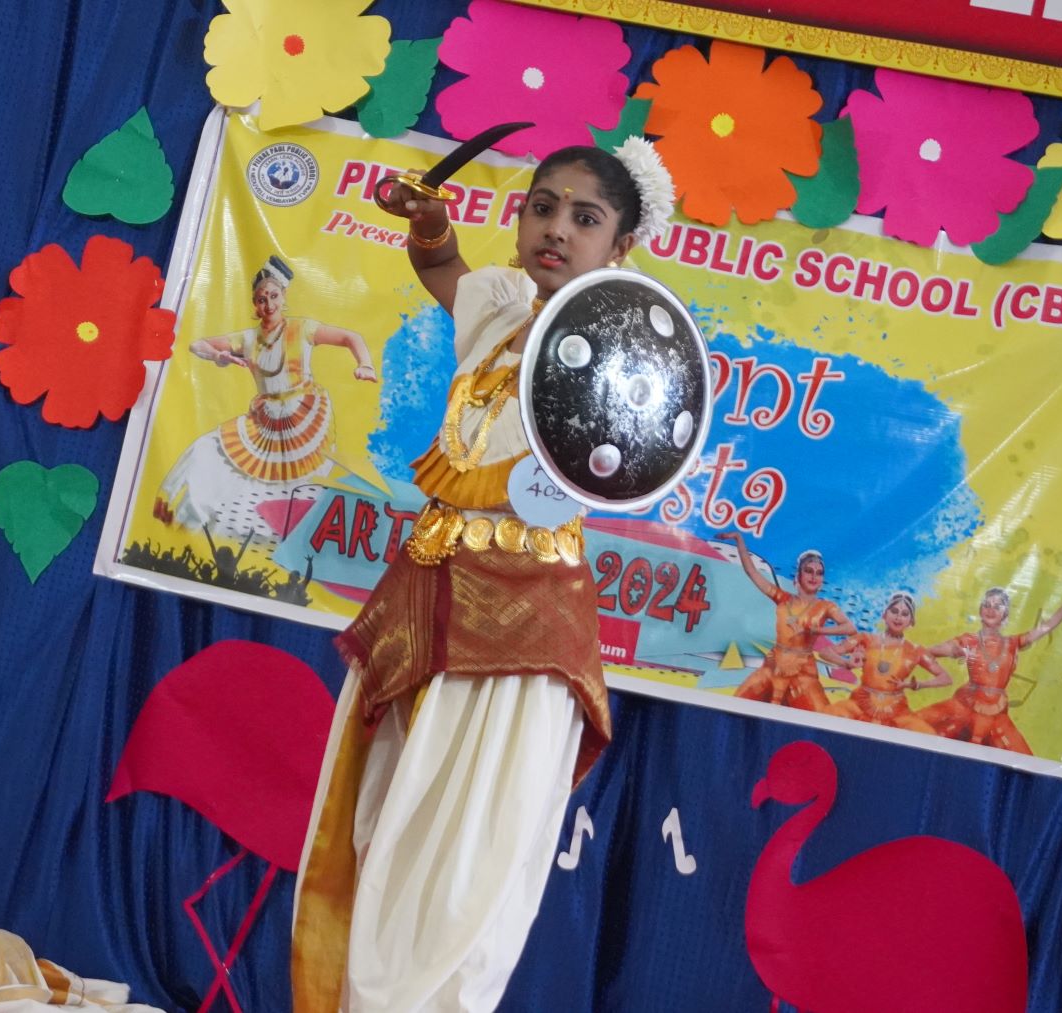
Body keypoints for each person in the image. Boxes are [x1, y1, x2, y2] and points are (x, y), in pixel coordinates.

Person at [289, 139, 676, 1013]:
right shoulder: (502, 306)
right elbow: (443, 268)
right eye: (543, 207)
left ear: (621, 247)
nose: (556, 229)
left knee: (465, 857)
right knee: (380, 814)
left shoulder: (622, 349)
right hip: (427, 592)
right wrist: (430, 222)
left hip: (522, 623)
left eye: (585, 218)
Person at [155, 255, 376, 544]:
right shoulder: (248, 339)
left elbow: (351, 337)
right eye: (261, 299)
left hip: (303, 416)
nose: (268, 304)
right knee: (211, 451)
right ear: (255, 305)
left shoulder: (303, 329)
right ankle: (211, 525)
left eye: (273, 296)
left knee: (296, 480)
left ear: (283, 297)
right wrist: (218, 354)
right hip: (265, 418)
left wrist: (365, 364)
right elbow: (198, 344)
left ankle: (289, 538)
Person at [918, 586, 1062, 754]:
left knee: (1023, 759)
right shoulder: (968, 640)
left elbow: (1048, 625)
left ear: (1005, 614)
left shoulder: (1013, 643)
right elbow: (929, 651)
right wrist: (952, 652)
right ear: (980, 610)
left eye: (997, 606)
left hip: (996, 715)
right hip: (965, 707)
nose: (991, 610)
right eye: (987, 605)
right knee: (919, 732)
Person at [723, 535, 857, 711]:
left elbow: (849, 627)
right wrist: (739, 540)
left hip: (803, 671)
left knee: (819, 716)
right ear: (799, 575)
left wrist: (816, 630)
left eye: (819, 573)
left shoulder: (826, 606)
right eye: (808, 571)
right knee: (735, 705)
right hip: (774, 666)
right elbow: (752, 572)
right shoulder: (783, 598)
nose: (814, 576)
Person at [818, 593, 950, 733]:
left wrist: (916, 685)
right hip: (860, 704)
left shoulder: (915, 651)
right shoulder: (866, 639)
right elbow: (825, 652)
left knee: (925, 733)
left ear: (911, 622)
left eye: (905, 614)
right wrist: (846, 663)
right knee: (828, 716)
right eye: (894, 611)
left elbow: (945, 678)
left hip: (897, 712)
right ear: (884, 614)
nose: (898, 617)